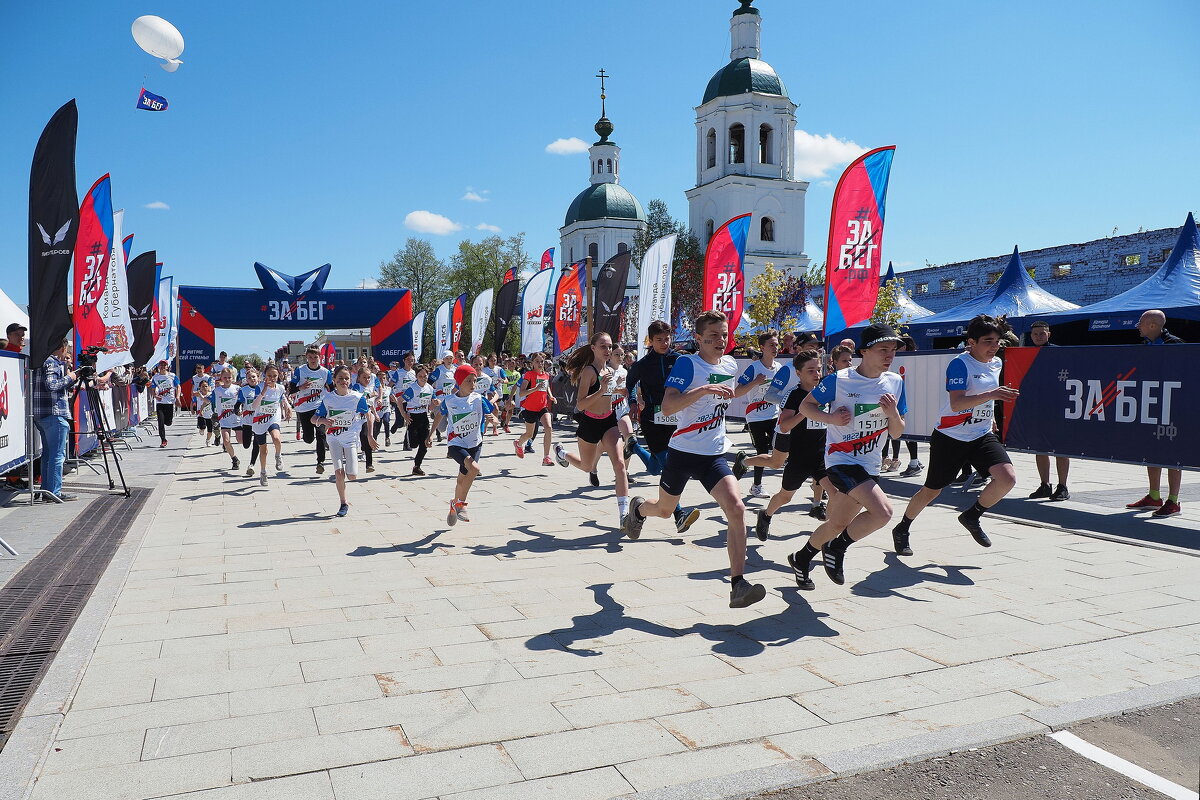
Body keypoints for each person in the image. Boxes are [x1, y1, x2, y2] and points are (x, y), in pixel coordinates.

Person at [622, 310, 766, 609]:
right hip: (683, 452)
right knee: (664, 511)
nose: (720, 341)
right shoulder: (688, 363)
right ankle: (639, 509)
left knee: (737, 509)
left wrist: (748, 388)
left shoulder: (728, 363)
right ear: (698, 338)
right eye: (712, 336)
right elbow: (670, 404)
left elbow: (727, 393)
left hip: (713, 454)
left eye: (724, 335)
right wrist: (702, 389)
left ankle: (738, 584)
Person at [788, 324, 908, 589]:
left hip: (870, 463)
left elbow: (898, 432)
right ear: (864, 351)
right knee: (883, 512)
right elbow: (805, 406)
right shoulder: (840, 379)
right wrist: (831, 418)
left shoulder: (895, 382)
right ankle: (837, 548)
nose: (890, 355)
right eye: (883, 349)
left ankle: (801, 558)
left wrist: (892, 414)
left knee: (838, 522)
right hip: (841, 460)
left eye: (893, 350)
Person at [891, 315, 1020, 556]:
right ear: (971, 342)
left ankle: (972, 516)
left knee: (1008, 478)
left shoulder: (996, 363)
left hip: (980, 434)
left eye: (997, 342)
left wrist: (988, 415)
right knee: (932, 490)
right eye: (988, 341)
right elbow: (958, 403)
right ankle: (902, 528)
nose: (994, 347)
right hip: (951, 436)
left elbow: (983, 397)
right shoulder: (960, 364)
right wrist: (992, 395)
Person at [624, 320, 701, 534]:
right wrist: (632, 402)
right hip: (652, 419)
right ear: (651, 340)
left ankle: (635, 448)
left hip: (677, 418)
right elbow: (630, 384)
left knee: (656, 468)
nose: (664, 343)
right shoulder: (642, 364)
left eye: (667, 338)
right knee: (668, 464)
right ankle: (679, 514)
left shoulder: (679, 360)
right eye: (659, 340)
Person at [754, 350, 835, 542]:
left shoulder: (825, 392)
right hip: (799, 457)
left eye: (818, 369)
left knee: (835, 493)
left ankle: (830, 535)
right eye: (810, 371)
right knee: (785, 496)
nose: (816, 374)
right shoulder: (795, 395)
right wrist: (806, 412)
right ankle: (765, 515)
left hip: (822, 457)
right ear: (798, 373)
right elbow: (784, 425)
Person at [552, 332, 632, 525]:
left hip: (609, 421)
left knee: (620, 465)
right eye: (603, 346)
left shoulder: (610, 371)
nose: (608, 350)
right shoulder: (589, 371)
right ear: (593, 348)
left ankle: (624, 515)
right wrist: (602, 391)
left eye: (610, 346)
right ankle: (562, 453)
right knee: (587, 466)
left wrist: (619, 390)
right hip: (590, 422)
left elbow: (608, 396)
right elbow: (581, 404)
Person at [1127, 310, 1184, 516]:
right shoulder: (1145, 346)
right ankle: (1154, 496)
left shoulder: (1175, 345)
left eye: (1140, 323)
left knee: (1172, 455)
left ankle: (1173, 501)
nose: (1137, 327)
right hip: (1151, 406)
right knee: (1152, 451)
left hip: (1172, 407)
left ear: (1152, 325)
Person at [431, 364, 495, 525]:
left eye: (475, 381)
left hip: (475, 443)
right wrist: (431, 434)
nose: (473, 385)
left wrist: (494, 420)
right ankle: (461, 505)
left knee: (462, 479)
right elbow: (440, 414)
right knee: (474, 469)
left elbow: (493, 414)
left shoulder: (479, 399)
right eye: (468, 381)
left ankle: (454, 503)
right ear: (459, 382)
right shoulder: (450, 400)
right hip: (456, 444)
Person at [314, 365, 376, 517]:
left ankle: (349, 467)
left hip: (350, 440)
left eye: (346, 378)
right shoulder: (328, 398)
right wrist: (322, 420)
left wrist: (370, 435)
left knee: (352, 475)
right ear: (334, 380)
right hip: (333, 438)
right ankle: (343, 502)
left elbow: (369, 416)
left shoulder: (356, 397)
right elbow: (313, 418)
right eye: (340, 378)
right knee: (338, 472)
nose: (343, 381)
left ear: (350, 380)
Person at [731, 330, 781, 498]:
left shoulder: (779, 368)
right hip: (755, 417)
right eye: (771, 345)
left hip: (774, 416)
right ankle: (756, 486)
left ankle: (744, 461)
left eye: (776, 344)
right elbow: (737, 392)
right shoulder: (754, 368)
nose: (775, 348)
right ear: (762, 347)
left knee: (778, 450)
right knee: (762, 449)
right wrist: (755, 382)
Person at [1024, 321, 1071, 501]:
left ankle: (1063, 486)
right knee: (1040, 448)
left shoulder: (1059, 353)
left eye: (1042, 334)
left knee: (1061, 448)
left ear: (1049, 334)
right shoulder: (1027, 355)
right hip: (1038, 408)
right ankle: (1044, 485)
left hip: (1058, 407)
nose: (1038, 337)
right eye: (1035, 334)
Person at [30, 339, 78, 501]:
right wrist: (71, 377)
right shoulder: (52, 362)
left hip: (42, 414)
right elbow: (52, 385)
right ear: (63, 347)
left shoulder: (42, 361)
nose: (67, 353)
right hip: (54, 413)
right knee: (57, 456)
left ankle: (47, 491)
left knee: (48, 455)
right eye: (67, 349)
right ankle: (54, 492)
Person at [289, 346, 333, 474]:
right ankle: (306, 433)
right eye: (310, 357)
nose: (313, 360)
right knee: (308, 439)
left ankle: (320, 462)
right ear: (306, 358)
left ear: (319, 357)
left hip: (319, 406)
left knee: (320, 434)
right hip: (303, 408)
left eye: (315, 357)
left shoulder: (325, 372)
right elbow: (291, 390)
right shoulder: (300, 371)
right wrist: (301, 387)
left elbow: (331, 388)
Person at [250, 364, 291, 485]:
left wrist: (288, 407)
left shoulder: (280, 388)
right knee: (264, 450)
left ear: (278, 376)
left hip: (273, 418)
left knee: (276, 438)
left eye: (274, 376)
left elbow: (282, 398)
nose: (272, 378)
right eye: (269, 376)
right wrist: (263, 392)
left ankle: (278, 455)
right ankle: (263, 472)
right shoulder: (259, 387)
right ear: (264, 376)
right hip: (260, 420)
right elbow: (254, 406)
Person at [513, 352, 555, 465]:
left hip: (542, 407)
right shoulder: (529, 375)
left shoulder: (546, 375)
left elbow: (546, 387)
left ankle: (546, 457)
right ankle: (518, 443)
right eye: (537, 361)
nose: (540, 364)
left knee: (549, 428)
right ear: (532, 363)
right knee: (529, 434)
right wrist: (535, 389)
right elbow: (521, 393)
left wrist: (550, 396)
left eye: (542, 361)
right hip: (530, 408)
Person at [401, 365, 435, 475]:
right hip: (413, 417)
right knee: (414, 444)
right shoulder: (412, 389)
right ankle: (407, 439)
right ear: (416, 377)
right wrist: (404, 415)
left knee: (424, 444)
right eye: (420, 376)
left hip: (424, 417)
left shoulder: (430, 388)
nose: (423, 378)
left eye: (425, 376)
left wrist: (435, 403)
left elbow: (431, 403)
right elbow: (399, 401)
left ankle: (417, 466)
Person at [353, 363, 381, 473]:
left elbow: (370, 404)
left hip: (368, 417)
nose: (367, 379)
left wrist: (376, 414)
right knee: (359, 439)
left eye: (369, 377)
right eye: (364, 377)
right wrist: (370, 395)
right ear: (359, 378)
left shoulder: (371, 388)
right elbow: (358, 398)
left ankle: (369, 464)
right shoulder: (357, 387)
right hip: (356, 417)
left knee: (367, 437)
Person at [211, 369, 241, 471]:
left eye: (229, 377)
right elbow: (210, 400)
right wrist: (201, 397)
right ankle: (234, 459)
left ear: (233, 378)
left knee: (240, 440)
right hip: (224, 419)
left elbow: (244, 400)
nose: (227, 379)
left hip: (237, 419)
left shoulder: (237, 389)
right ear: (221, 378)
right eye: (225, 377)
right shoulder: (217, 390)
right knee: (226, 440)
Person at [150, 360, 181, 447]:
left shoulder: (172, 376)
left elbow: (178, 386)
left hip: (170, 402)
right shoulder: (155, 377)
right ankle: (163, 440)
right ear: (158, 367)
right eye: (161, 365)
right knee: (160, 422)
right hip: (160, 402)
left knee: (168, 422)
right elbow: (152, 389)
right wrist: (155, 396)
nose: (163, 366)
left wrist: (177, 397)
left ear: (167, 367)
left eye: (164, 365)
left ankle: (167, 421)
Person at [237, 367, 262, 477]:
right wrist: (237, 409)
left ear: (258, 378)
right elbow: (238, 403)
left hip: (259, 421)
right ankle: (251, 462)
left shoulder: (263, 388)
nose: (252, 379)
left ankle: (251, 465)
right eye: (249, 377)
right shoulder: (244, 390)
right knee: (246, 445)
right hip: (247, 420)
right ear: (246, 379)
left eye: (253, 377)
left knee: (256, 444)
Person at [195, 381, 215, 446]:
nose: (204, 388)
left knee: (210, 430)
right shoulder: (197, 395)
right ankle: (201, 428)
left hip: (210, 414)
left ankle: (208, 440)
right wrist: (192, 408)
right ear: (200, 388)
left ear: (209, 387)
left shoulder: (210, 394)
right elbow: (193, 401)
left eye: (206, 386)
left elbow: (207, 401)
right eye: (202, 386)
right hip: (201, 414)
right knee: (202, 427)